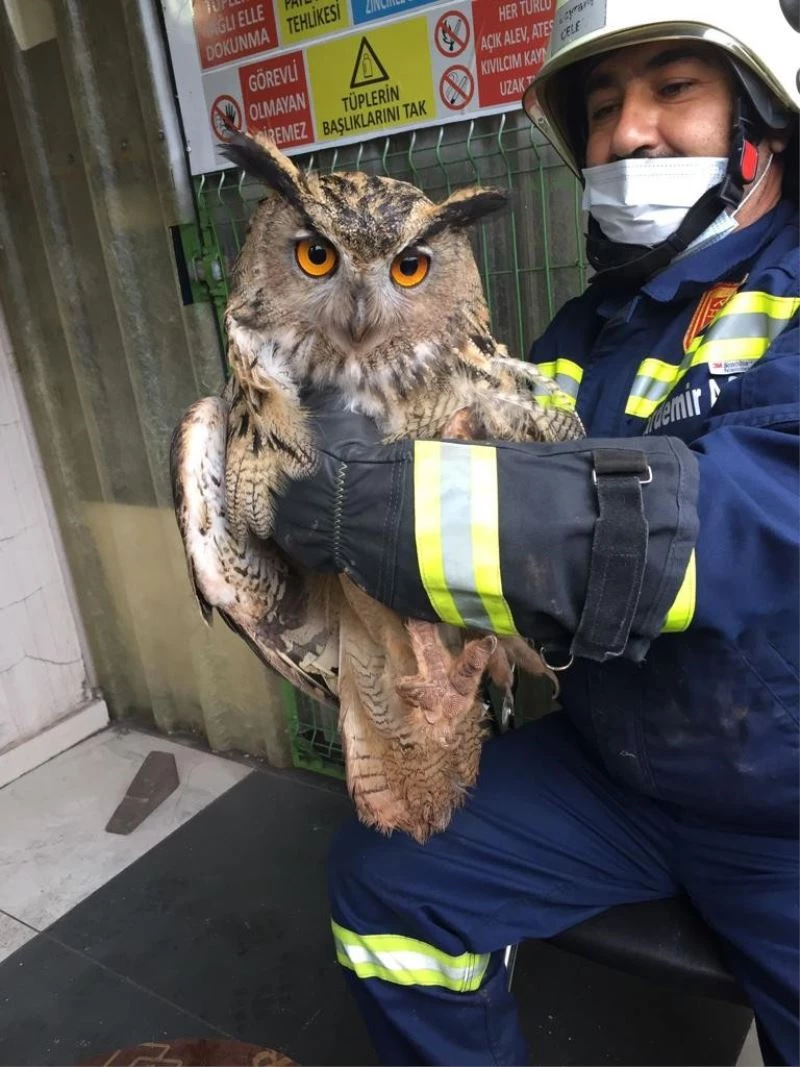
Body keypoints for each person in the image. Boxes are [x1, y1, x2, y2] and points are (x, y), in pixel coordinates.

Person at [271, 3, 800, 1063]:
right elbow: (495, 456)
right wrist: (341, 416)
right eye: (601, 107)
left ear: (762, 118)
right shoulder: (590, 328)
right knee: (386, 892)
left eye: (670, 89)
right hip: (616, 770)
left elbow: (733, 525)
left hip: (785, 812)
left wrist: (381, 506)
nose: (625, 133)